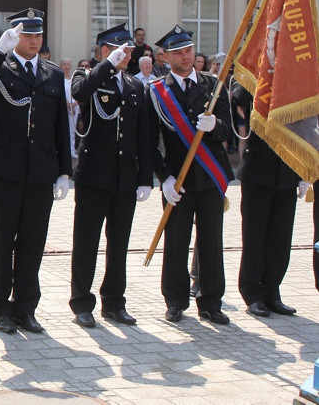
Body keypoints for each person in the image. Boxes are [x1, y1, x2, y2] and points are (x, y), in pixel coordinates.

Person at [0, 8, 72, 335]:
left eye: (37, 35)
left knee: (32, 241)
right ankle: (0, 306)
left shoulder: (53, 74)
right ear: (15, 37)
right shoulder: (0, 68)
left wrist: (64, 171)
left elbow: (61, 126)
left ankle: (26, 307)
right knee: (2, 239)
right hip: (6, 169)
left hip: (41, 169)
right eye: (26, 35)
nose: (33, 40)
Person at [147, 25, 234, 325]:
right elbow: (150, 141)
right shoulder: (158, 91)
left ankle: (210, 300)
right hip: (178, 181)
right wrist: (164, 177)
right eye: (178, 52)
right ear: (165, 57)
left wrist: (216, 127)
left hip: (210, 177)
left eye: (189, 50)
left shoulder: (214, 85)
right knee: (176, 240)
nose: (186, 56)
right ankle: (175, 300)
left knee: (211, 240)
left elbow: (229, 133)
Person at [69, 24, 152, 328]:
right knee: (87, 241)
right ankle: (81, 302)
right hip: (94, 176)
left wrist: (145, 178)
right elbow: (80, 92)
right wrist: (105, 65)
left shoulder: (134, 86)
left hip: (124, 178)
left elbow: (143, 135)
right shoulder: (87, 76)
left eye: (130, 51)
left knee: (119, 243)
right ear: (106, 51)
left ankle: (115, 302)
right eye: (123, 51)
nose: (129, 56)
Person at [231, 78, 306, 317]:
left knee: (280, 236)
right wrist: (260, 73)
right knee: (255, 234)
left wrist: (304, 168)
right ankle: (253, 293)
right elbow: (239, 96)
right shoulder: (254, 79)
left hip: (286, 169)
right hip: (258, 169)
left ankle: (273, 290)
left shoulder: (293, 78)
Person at [60, 58, 78, 159]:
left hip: (74, 107)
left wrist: (74, 104)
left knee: (72, 129)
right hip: (64, 107)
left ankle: (72, 149)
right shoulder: (59, 78)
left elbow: (77, 93)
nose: (66, 66)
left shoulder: (73, 79)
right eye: (64, 64)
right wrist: (67, 104)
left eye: (68, 64)